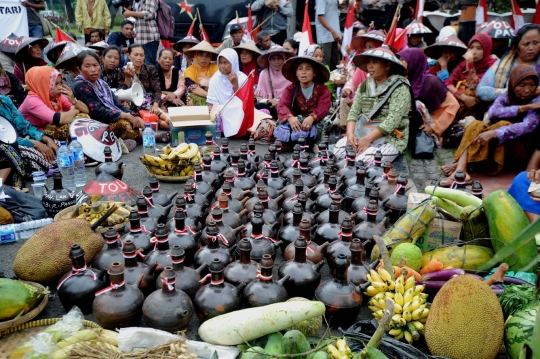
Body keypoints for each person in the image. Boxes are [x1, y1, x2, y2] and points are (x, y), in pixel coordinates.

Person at [441, 65, 540, 186]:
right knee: (476, 124)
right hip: (497, 147)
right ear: (513, 85)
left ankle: (464, 162)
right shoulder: (507, 96)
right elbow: (493, 113)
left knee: (503, 124)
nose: (527, 90)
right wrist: (524, 108)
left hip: (517, 151)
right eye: (522, 85)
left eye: (532, 85)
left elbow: (527, 126)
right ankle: (462, 169)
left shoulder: (536, 101)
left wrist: (494, 133)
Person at [333, 45, 412, 163]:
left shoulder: (400, 87)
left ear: (387, 66)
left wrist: (367, 140)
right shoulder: (365, 85)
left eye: (375, 62)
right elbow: (354, 112)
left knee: (361, 162)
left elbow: (392, 120)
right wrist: (350, 135)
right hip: (363, 131)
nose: (370, 66)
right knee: (337, 153)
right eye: (369, 62)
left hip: (390, 138)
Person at [72, 50, 145, 140]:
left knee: (137, 119)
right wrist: (126, 116)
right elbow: (97, 111)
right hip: (94, 123)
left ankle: (131, 139)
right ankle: (145, 137)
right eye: (87, 66)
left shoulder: (102, 84)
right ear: (79, 69)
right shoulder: (80, 85)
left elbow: (117, 104)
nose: (93, 70)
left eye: (95, 65)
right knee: (124, 124)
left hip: (109, 117)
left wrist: (134, 116)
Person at [398, 48, 459, 141]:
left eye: (403, 60)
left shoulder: (431, 81)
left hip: (436, 122)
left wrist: (434, 127)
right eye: (400, 59)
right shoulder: (407, 79)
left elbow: (454, 105)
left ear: (414, 61)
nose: (400, 62)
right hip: (419, 122)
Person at [0, 95, 57, 188]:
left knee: (54, 143)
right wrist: (34, 143)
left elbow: (24, 126)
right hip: (8, 146)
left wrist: (46, 139)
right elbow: (5, 140)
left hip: (17, 141)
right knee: (23, 152)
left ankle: (57, 162)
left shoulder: (4, 100)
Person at [19, 66, 89, 141]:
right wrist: (76, 110)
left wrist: (74, 101)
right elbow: (59, 119)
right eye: (55, 84)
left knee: (83, 117)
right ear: (43, 84)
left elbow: (86, 110)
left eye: (60, 83)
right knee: (75, 123)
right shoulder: (32, 100)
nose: (60, 87)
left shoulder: (56, 96)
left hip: (46, 129)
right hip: (32, 135)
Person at [277, 55, 332, 147]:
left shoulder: (322, 89)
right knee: (280, 121)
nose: (303, 72)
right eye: (300, 69)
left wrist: (312, 118)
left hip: (314, 121)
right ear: (296, 72)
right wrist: (290, 118)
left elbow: (324, 107)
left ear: (315, 73)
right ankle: (290, 143)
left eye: (308, 69)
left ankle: (316, 145)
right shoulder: (291, 89)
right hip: (297, 121)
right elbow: (282, 105)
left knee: (326, 122)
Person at [477, 24, 540, 103]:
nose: (531, 48)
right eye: (526, 44)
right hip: (503, 111)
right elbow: (480, 91)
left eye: (536, 43)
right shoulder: (502, 64)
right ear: (516, 47)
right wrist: (510, 92)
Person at [444, 33, 496, 121]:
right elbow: (447, 83)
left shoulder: (492, 65)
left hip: (481, 110)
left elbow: (473, 86)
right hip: (462, 106)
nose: (473, 52)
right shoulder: (463, 64)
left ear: (486, 49)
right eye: (471, 47)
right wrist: (464, 98)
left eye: (479, 48)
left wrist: (470, 64)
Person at [207, 49, 251, 138]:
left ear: (233, 63)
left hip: (239, 112)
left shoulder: (243, 78)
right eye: (220, 63)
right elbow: (212, 105)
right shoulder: (215, 79)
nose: (222, 66)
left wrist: (235, 85)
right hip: (222, 113)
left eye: (226, 63)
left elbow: (245, 103)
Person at [118, 44, 165, 122]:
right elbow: (122, 92)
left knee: (161, 116)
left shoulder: (150, 70)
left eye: (141, 55)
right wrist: (127, 78)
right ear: (129, 55)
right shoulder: (122, 71)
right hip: (131, 104)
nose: (139, 58)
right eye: (136, 55)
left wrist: (155, 105)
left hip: (149, 102)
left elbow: (157, 89)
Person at [255, 46, 293, 118]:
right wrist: (270, 101)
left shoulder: (290, 74)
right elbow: (259, 98)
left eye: (279, 58)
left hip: (287, 108)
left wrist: (280, 103)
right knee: (257, 106)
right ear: (269, 60)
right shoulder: (264, 74)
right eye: (273, 59)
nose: (276, 62)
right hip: (270, 107)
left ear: (284, 59)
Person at [122, 0, 160, 67]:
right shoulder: (136, 1)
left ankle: (151, 77)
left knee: (149, 65)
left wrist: (131, 13)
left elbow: (150, 14)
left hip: (149, 38)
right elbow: (138, 17)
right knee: (138, 65)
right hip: (139, 39)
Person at [157, 49, 186, 114]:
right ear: (158, 59)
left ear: (173, 61)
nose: (167, 61)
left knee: (183, 110)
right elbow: (153, 89)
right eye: (165, 58)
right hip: (158, 100)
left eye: (170, 59)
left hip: (175, 99)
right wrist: (167, 98)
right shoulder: (154, 71)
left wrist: (174, 94)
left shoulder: (177, 71)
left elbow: (182, 87)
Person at [315, 0, 341, 70]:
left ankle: (332, 81)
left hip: (334, 36)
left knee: (335, 66)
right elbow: (320, 17)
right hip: (325, 37)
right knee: (325, 66)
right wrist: (332, 32)